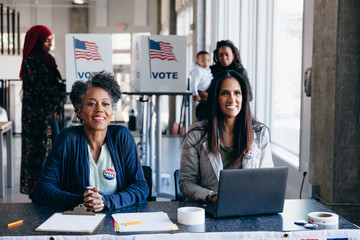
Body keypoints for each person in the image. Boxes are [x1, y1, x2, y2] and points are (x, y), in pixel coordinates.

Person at [33, 71, 149, 211]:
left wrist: (106, 201)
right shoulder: (67, 139)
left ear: (112, 111)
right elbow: (43, 190)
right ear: (79, 111)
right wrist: (81, 201)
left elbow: (141, 187)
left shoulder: (122, 137)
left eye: (105, 104)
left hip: (118, 221)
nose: (99, 109)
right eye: (91, 104)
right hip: (77, 223)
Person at [179, 70, 273, 203]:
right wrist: (212, 197)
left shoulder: (260, 133)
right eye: (224, 93)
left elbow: (267, 180)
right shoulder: (196, 134)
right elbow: (186, 183)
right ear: (215, 98)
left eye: (237, 93)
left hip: (249, 209)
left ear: (243, 97)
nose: (232, 99)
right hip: (210, 210)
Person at [19, 25, 66, 198]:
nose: (49, 45)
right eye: (47, 41)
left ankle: (48, 188)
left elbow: (52, 84)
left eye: (51, 41)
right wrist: (60, 90)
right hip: (36, 117)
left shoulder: (48, 59)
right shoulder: (31, 60)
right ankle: (38, 192)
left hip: (47, 113)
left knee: (53, 148)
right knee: (38, 152)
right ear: (37, 41)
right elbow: (39, 89)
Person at [189, 51, 213, 121]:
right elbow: (194, 84)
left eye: (208, 60)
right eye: (203, 61)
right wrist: (195, 94)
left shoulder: (206, 69)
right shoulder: (197, 71)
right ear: (197, 61)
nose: (206, 63)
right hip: (201, 93)